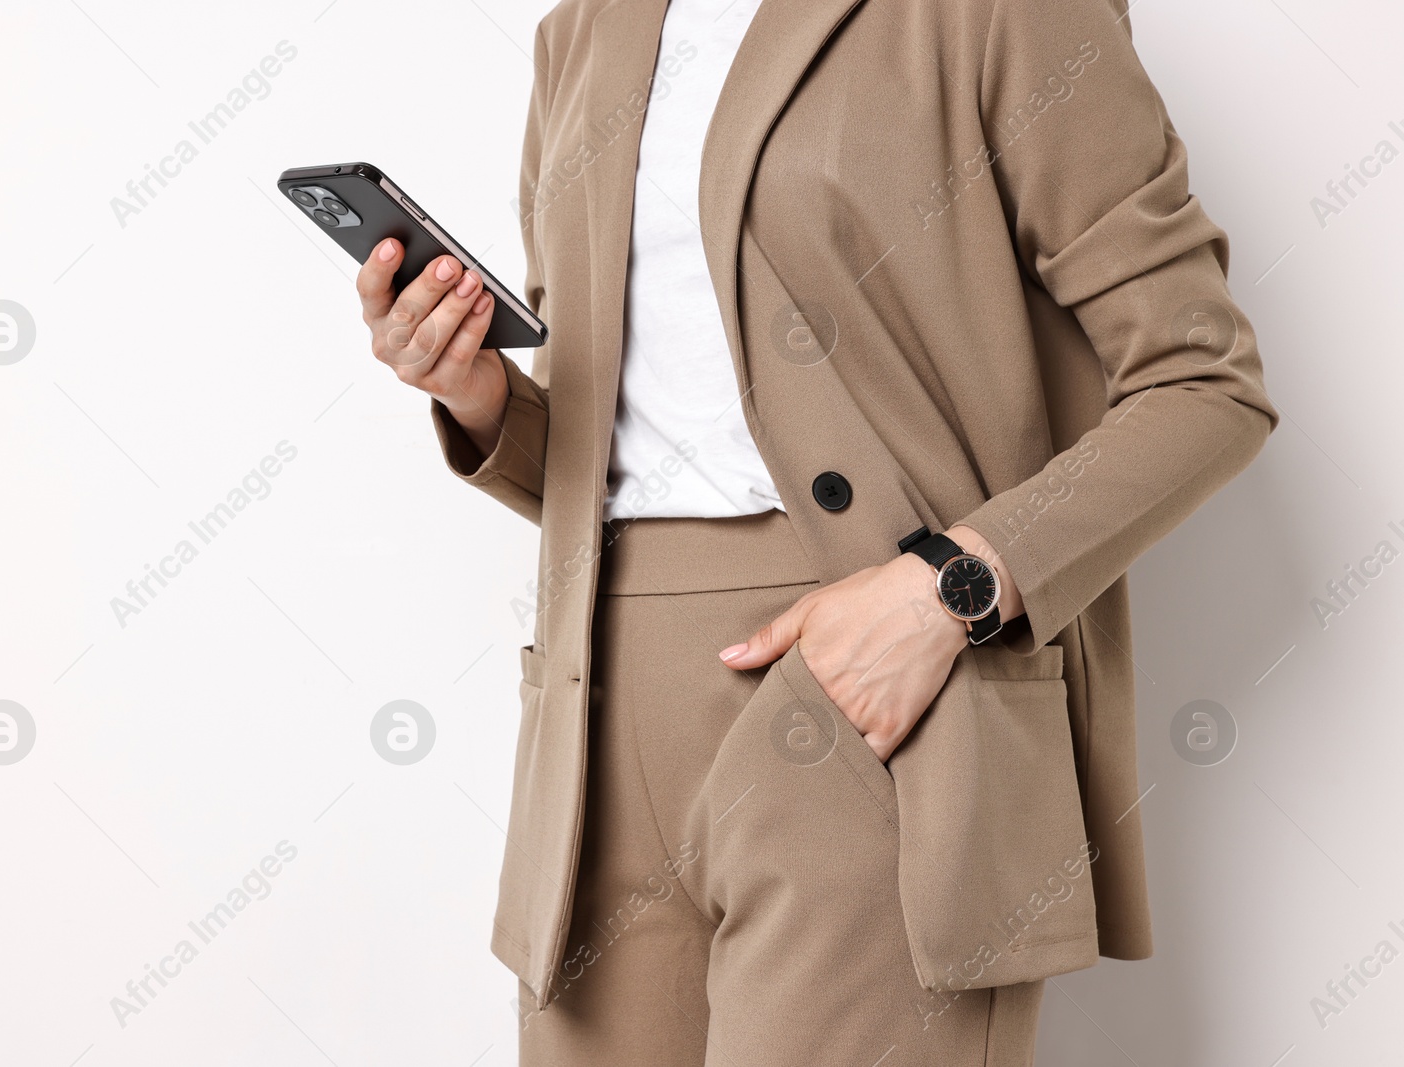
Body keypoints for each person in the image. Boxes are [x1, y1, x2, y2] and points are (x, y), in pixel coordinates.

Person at [354, 0, 1277, 1061]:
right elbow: (625, 443)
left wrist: (951, 588)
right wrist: (476, 394)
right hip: (593, 728)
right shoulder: (582, 31)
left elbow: (1204, 382)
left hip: (882, 707)